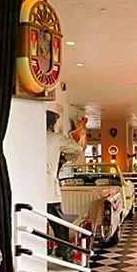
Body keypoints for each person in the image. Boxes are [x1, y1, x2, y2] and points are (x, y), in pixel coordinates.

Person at [47, 110, 83, 259]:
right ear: (52, 124)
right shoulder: (56, 138)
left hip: (28, 187)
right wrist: (64, 158)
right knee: (58, 223)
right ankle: (64, 250)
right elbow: (77, 148)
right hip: (48, 188)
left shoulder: (30, 136)